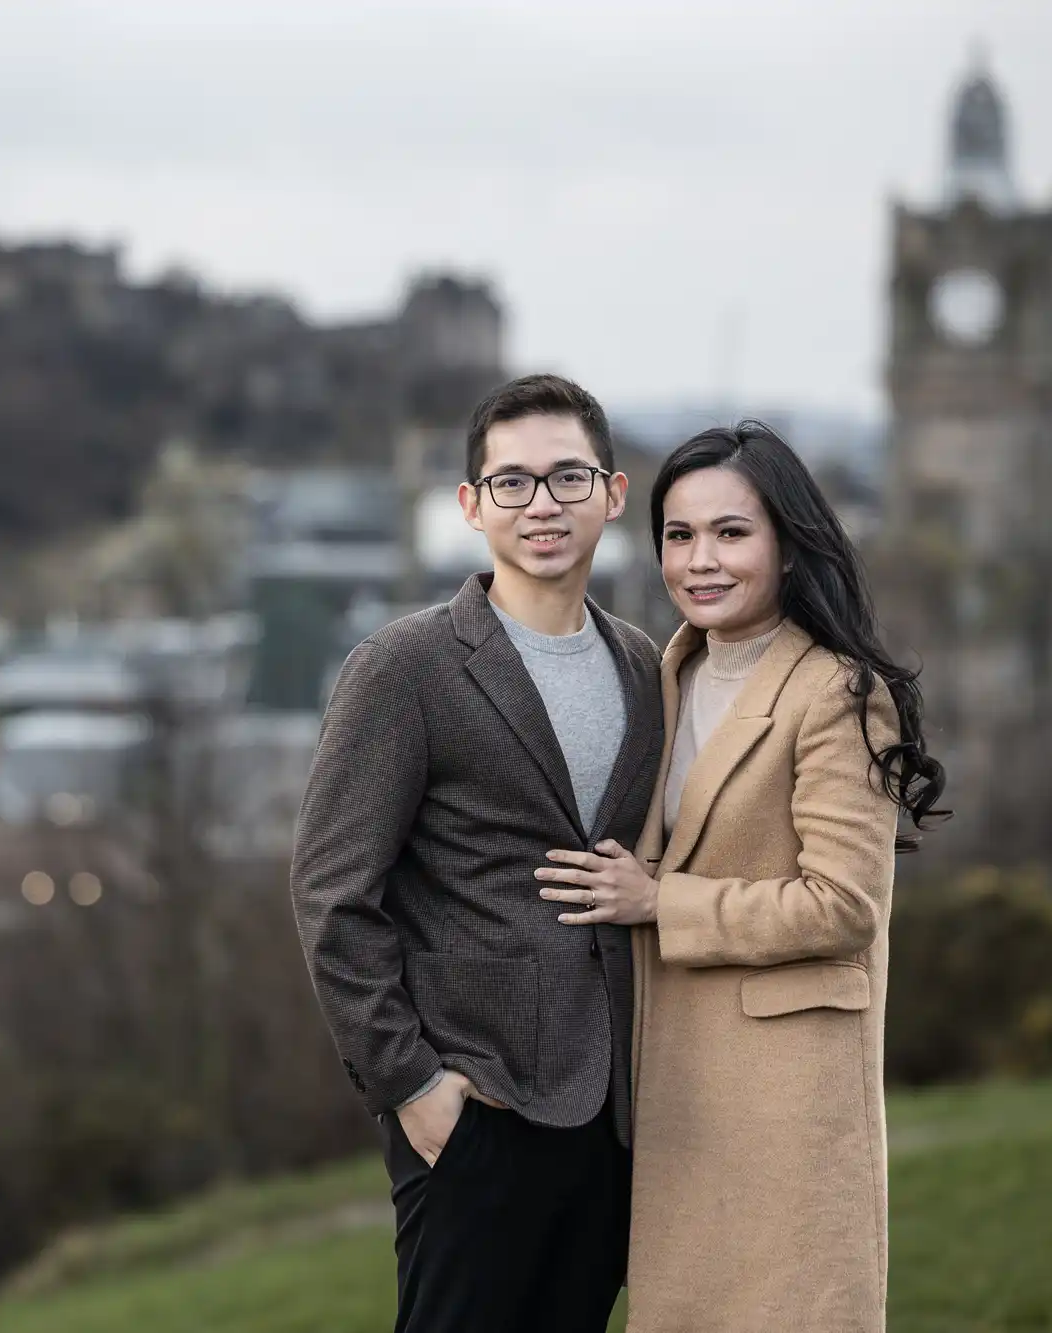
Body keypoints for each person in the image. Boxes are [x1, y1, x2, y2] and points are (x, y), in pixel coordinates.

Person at [534, 420, 947, 1332]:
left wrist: (659, 901)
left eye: (731, 532)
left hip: (782, 1097)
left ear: (789, 547)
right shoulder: (666, 671)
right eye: (679, 535)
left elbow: (844, 907)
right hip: (676, 1092)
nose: (701, 560)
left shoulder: (838, 692)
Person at [291, 374, 665, 1333]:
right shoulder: (404, 668)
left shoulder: (647, 666)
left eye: (567, 477)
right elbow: (332, 894)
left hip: (615, 1117)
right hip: (476, 1110)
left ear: (613, 495)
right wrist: (412, 1086)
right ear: (471, 505)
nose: (542, 503)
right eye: (514, 482)